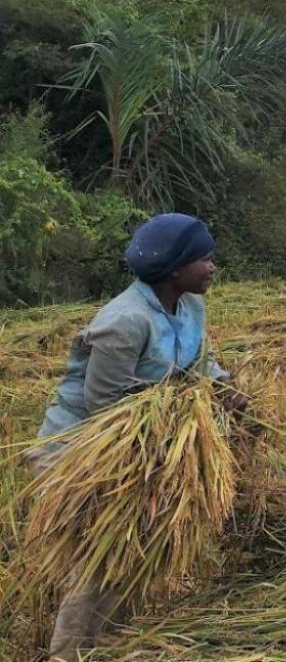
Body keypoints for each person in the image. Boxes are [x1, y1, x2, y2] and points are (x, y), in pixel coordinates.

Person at [29, 213, 244, 660]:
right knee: (101, 558)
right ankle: (69, 653)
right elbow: (104, 402)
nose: (211, 267)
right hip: (79, 448)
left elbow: (198, 359)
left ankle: (110, 646)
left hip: (143, 443)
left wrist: (226, 388)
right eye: (204, 259)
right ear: (174, 269)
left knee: (137, 551)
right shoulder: (125, 321)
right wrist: (169, 435)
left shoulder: (190, 306)